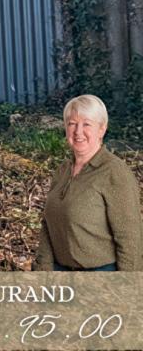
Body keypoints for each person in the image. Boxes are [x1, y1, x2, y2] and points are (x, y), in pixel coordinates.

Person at [35, 94, 143, 271]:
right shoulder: (62, 171)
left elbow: (130, 237)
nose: (78, 132)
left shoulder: (114, 172)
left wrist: (128, 287)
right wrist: (43, 271)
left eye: (86, 124)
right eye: (72, 124)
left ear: (102, 129)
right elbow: (48, 225)